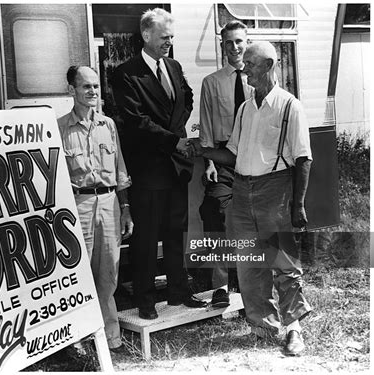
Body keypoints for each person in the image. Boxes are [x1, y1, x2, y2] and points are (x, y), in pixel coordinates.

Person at [190, 41, 312, 356]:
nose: (245, 71)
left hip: (275, 190)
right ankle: (263, 328)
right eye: (244, 65)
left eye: (251, 65)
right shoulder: (246, 108)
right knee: (249, 264)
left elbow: (303, 159)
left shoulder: (289, 106)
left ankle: (294, 329)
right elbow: (231, 154)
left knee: (283, 262)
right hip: (242, 192)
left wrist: (297, 204)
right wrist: (201, 151)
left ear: (269, 65)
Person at [112, 8, 206, 320]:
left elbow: (187, 98)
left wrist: (177, 131)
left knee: (176, 233)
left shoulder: (174, 66)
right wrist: (174, 139)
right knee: (147, 238)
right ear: (147, 35)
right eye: (165, 37)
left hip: (176, 167)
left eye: (172, 37)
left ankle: (180, 292)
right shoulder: (126, 73)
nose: (169, 42)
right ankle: (146, 300)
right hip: (149, 171)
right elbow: (136, 121)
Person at [58, 66, 133, 352]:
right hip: (79, 204)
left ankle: (110, 338)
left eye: (95, 87)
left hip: (110, 203)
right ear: (72, 91)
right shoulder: (59, 127)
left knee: (109, 272)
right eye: (86, 86)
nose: (92, 92)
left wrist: (125, 209)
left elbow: (120, 169)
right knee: (79, 272)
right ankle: (77, 339)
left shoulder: (108, 125)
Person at [198, 20, 252, 307]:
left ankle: (249, 283)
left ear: (247, 42)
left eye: (239, 41)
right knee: (213, 213)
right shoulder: (212, 82)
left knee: (251, 220)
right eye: (229, 42)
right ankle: (220, 285)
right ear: (223, 46)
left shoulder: (259, 79)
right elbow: (206, 127)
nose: (235, 47)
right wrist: (209, 163)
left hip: (254, 159)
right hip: (223, 160)